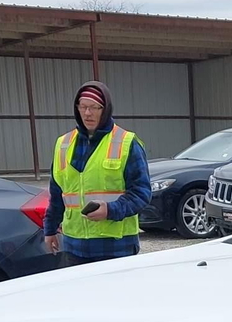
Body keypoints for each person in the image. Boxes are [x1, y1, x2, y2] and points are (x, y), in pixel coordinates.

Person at [43, 81, 152, 267]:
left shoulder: (126, 142)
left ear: (106, 109)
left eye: (94, 107)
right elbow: (57, 193)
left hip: (117, 247)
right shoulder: (63, 144)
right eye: (83, 106)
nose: (87, 113)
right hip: (74, 247)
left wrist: (110, 210)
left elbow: (142, 193)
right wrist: (50, 229)